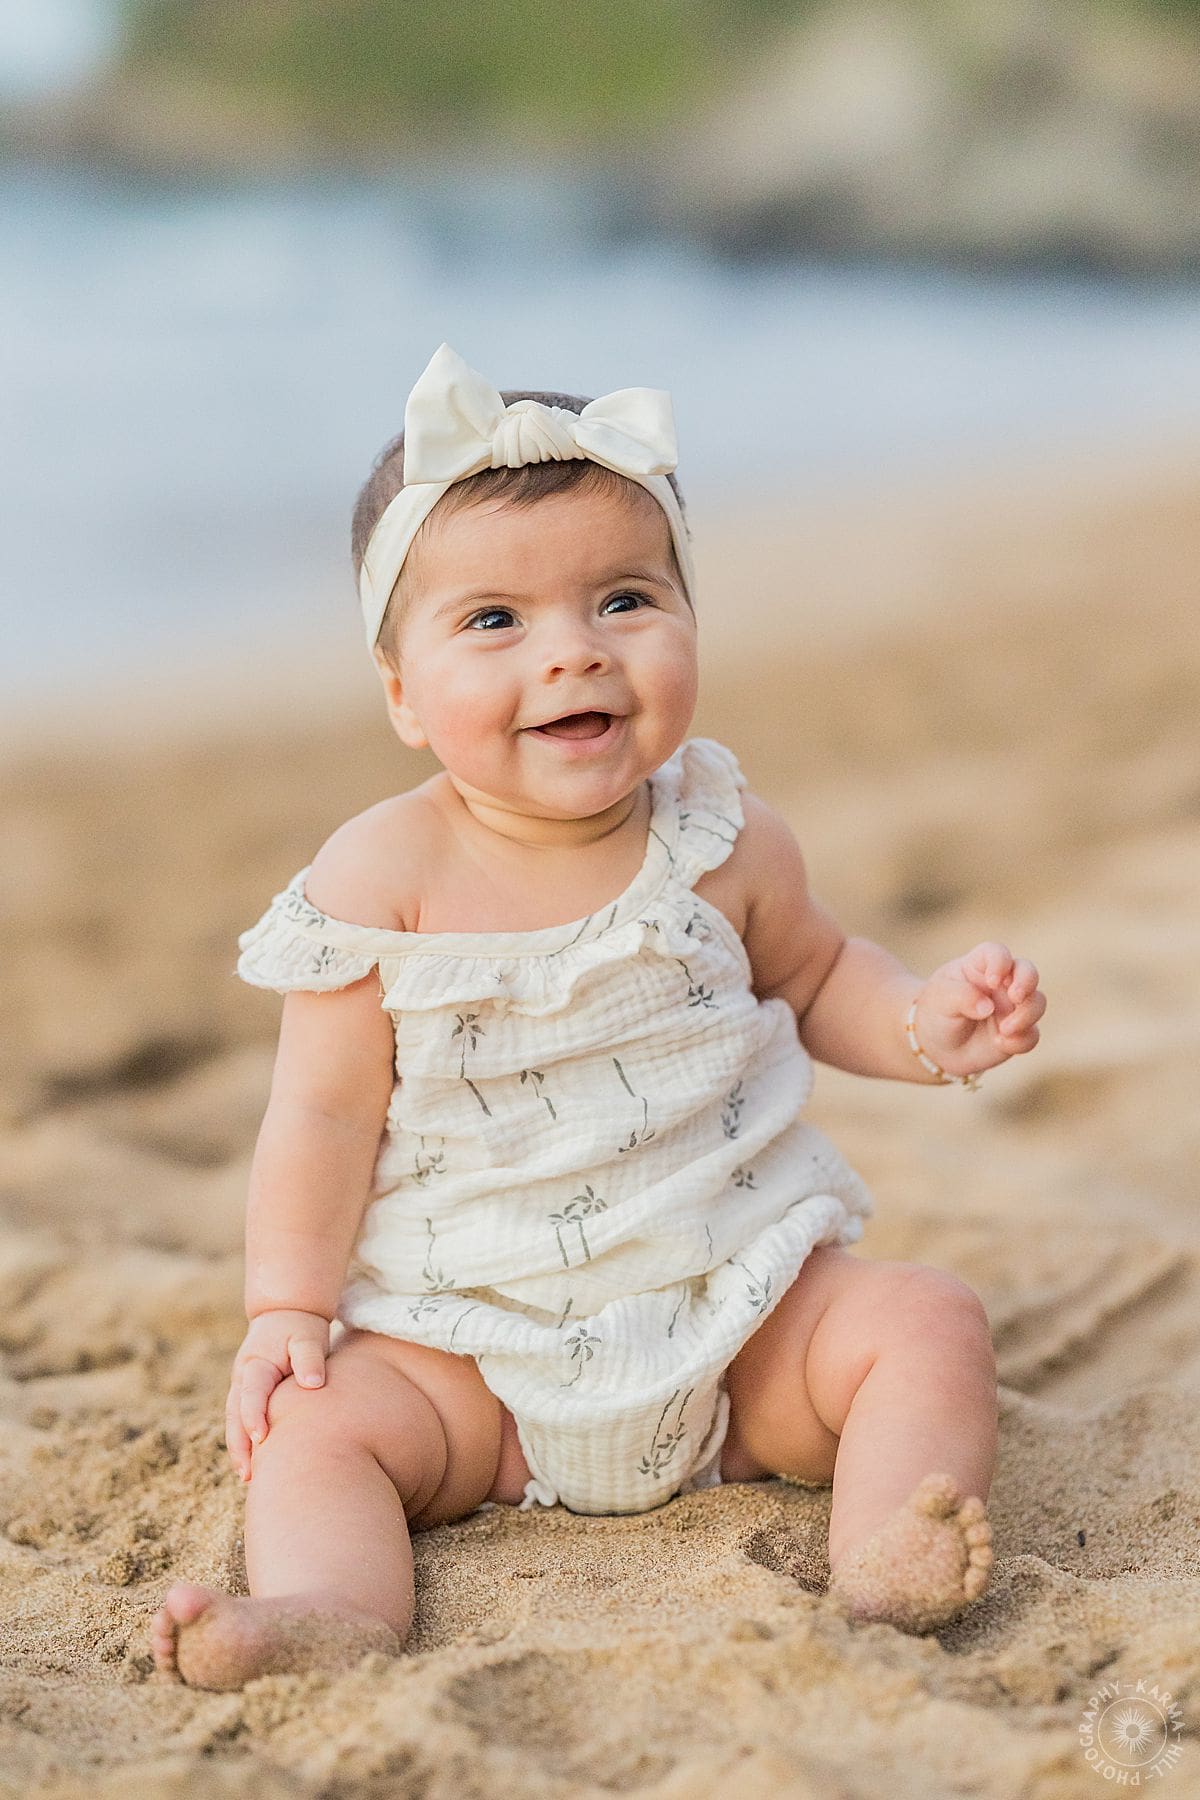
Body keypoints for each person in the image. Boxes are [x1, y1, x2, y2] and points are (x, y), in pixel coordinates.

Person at [151, 343, 1044, 1690]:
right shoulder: (379, 883)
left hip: (741, 1321)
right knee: (315, 1432)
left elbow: (815, 977)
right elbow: (321, 1117)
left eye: (625, 599)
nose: (574, 650)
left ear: (691, 619)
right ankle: (329, 1610)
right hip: (471, 1356)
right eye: (493, 621)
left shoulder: (725, 839)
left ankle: (884, 1554)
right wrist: (286, 1307)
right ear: (400, 692)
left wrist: (924, 1023)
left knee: (927, 1321)